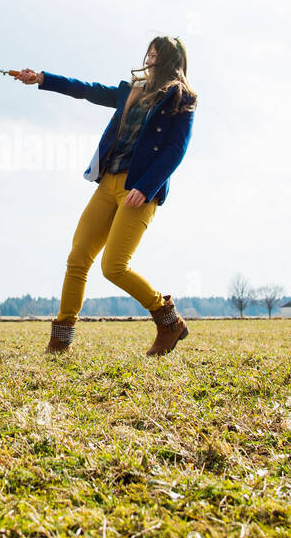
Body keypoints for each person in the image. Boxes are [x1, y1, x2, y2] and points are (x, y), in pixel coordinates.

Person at [10, 36, 198, 356]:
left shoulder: (181, 98)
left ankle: (168, 321)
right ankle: (61, 340)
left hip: (138, 189)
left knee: (113, 267)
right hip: (108, 181)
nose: (149, 60)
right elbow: (87, 89)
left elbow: (174, 151)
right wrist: (42, 78)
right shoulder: (131, 90)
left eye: (156, 55)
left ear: (170, 61)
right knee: (78, 258)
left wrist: (146, 187)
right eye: (148, 53)